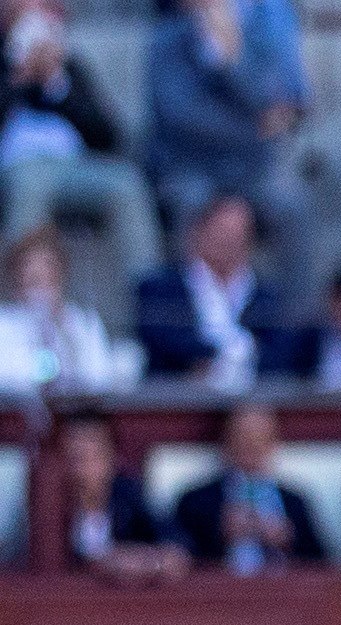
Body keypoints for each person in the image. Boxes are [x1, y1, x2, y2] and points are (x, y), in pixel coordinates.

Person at [143, 0, 307, 274]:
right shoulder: (166, 40)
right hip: (190, 168)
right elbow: (182, 116)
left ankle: (293, 316)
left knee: (294, 206)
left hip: (250, 172)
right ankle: (188, 309)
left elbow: (270, 100)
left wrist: (232, 60)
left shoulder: (257, 41)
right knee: (190, 203)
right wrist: (255, 130)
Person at [4, 0, 153, 281]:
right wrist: (18, 78)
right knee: (31, 185)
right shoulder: (5, 67)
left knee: (129, 185)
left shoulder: (71, 69)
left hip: (74, 167)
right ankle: (23, 296)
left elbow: (108, 137)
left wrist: (57, 84)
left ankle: (150, 296)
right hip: (16, 168)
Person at [132, 190, 303, 386]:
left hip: (248, 400)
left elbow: (281, 354)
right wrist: (235, 354)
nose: (227, 242)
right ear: (198, 231)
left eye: (237, 235)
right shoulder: (160, 288)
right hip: (179, 400)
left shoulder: (268, 297)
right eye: (221, 232)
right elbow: (162, 342)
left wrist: (217, 361)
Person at [169, 398, 327, 571]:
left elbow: (323, 563)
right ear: (226, 441)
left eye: (260, 437)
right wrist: (220, 533)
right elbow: (178, 559)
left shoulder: (295, 501)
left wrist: (288, 538)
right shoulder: (195, 500)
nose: (252, 445)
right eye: (243, 436)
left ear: (273, 443)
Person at [44, 410, 185, 580]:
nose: (81, 470)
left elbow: (175, 545)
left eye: (91, 457)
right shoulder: (43, 503)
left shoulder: (128, 496)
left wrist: (146, 560)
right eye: (73, 458)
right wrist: (103, 562)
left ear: (111, 458)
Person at [0, 223, 123, 389]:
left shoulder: (85, 321)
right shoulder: (4, 323)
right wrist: (42, 332)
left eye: (48, 267)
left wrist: (63, 332)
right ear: (17, 277)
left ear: (61, 274)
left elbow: (101, 378)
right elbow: (13, 381)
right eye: (33, 278)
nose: (40, 275)